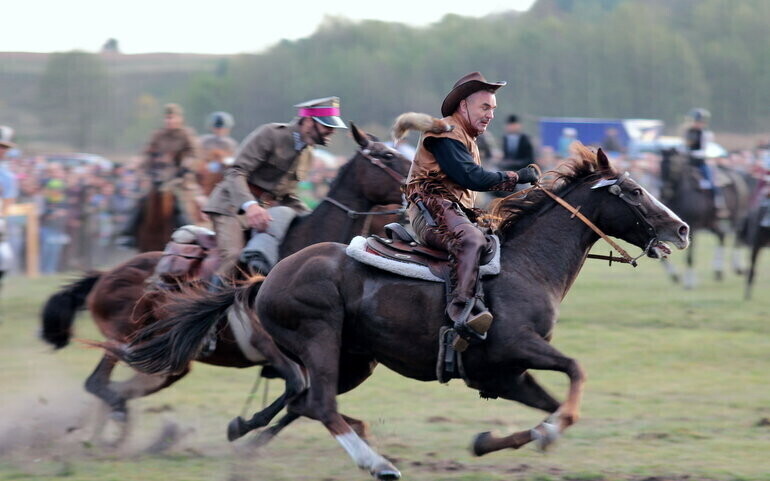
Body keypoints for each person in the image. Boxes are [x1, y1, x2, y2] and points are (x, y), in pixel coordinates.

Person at [404, 72, 538, 351]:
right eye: (484, 107)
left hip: (449, 209)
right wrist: (516, 176)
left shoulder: (468, 137)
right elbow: (471, 177)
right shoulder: (445, 131)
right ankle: (461, 314)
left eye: (493, 109)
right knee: (471, 240)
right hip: (430, 208)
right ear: (464, 106)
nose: (490, 115)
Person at [204, 97, 347, 278]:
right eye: (327, 126)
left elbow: (287, 195)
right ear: (309, 121)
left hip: (265, 214)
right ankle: (213, 304)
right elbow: (236, 172)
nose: (331, 132)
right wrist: (251, 206)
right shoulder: (271, 134)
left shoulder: (308, 153)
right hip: (230, 207)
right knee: (233, 258)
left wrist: (313, 217)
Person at [118, 103, 202, 246]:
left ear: (179, 119)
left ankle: (189, 235)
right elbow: (147, 153)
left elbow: (194, 154)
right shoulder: (158, 135)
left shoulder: (186, 135)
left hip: (179, 181)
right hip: (157, 177)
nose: (169, 121)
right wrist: (137, 164)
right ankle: (129, 234)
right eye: (167, 118)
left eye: (172, 118)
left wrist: (186, 165)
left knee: (180, 204)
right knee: (143, 200)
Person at [684, 108, 726, 213]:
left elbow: (705, 149)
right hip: (688, 162)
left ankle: (718, 201)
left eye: (698, 121)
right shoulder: (688, 132)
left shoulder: (706, 134)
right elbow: (685, 146)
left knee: (711, 181)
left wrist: (694, 154)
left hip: (700, 162)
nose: (696, 123)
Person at [199, 111, 238, 195]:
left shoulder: (230, 144)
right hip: (204, 173)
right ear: (212, 128)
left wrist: (222, 159)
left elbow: (232, 161)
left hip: (222, 174)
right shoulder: (204, 141)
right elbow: (198, 156)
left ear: (228, 129)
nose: (219, 131)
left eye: (222, 128)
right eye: (217, 128)